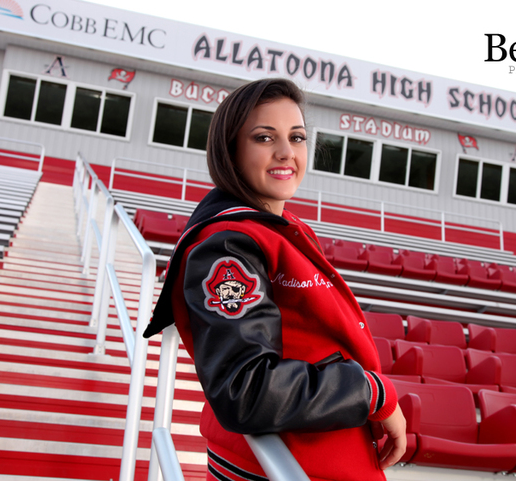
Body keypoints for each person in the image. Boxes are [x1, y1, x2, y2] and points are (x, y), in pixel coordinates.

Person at [144, 78, 406, 481]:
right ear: (231, 150)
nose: (287, 152)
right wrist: (374, 394)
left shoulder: (279, 227)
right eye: (265, 137)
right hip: (281, 466)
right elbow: (246, 388)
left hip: (321, 455)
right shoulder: (229, 246)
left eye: (297, 137)